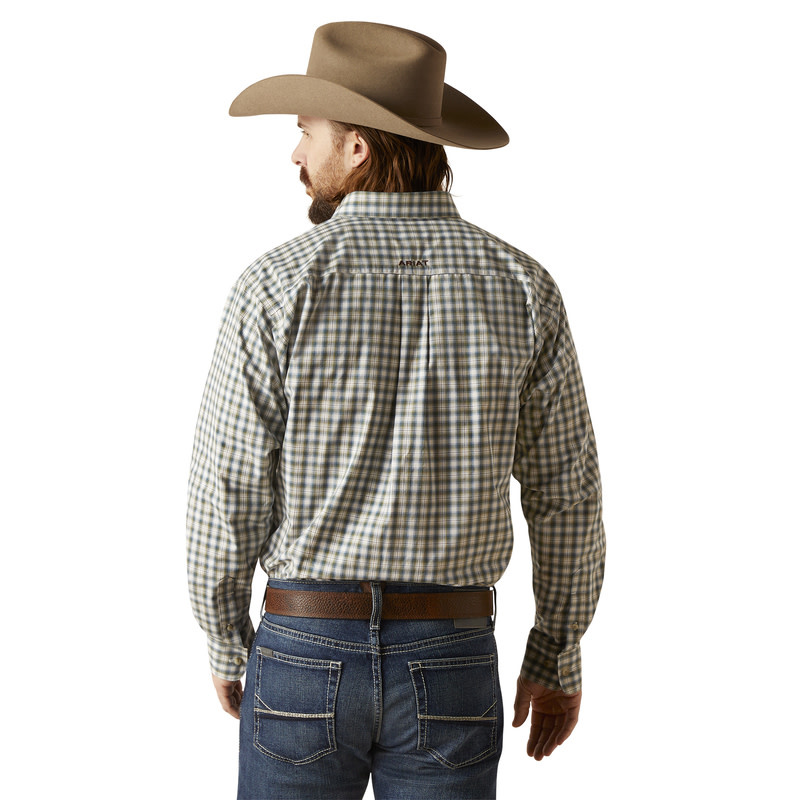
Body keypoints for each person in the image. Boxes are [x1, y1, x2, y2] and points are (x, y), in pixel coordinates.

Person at [187, 20, 605, 800]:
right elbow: (566, 493)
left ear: (358, 147)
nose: (294, 154)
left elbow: (228, 485)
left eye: (306, 131)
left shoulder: (275, 286)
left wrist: (225, 639)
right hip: (452, 655)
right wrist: (556, 654)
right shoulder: (523, 287)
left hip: (303, 649)